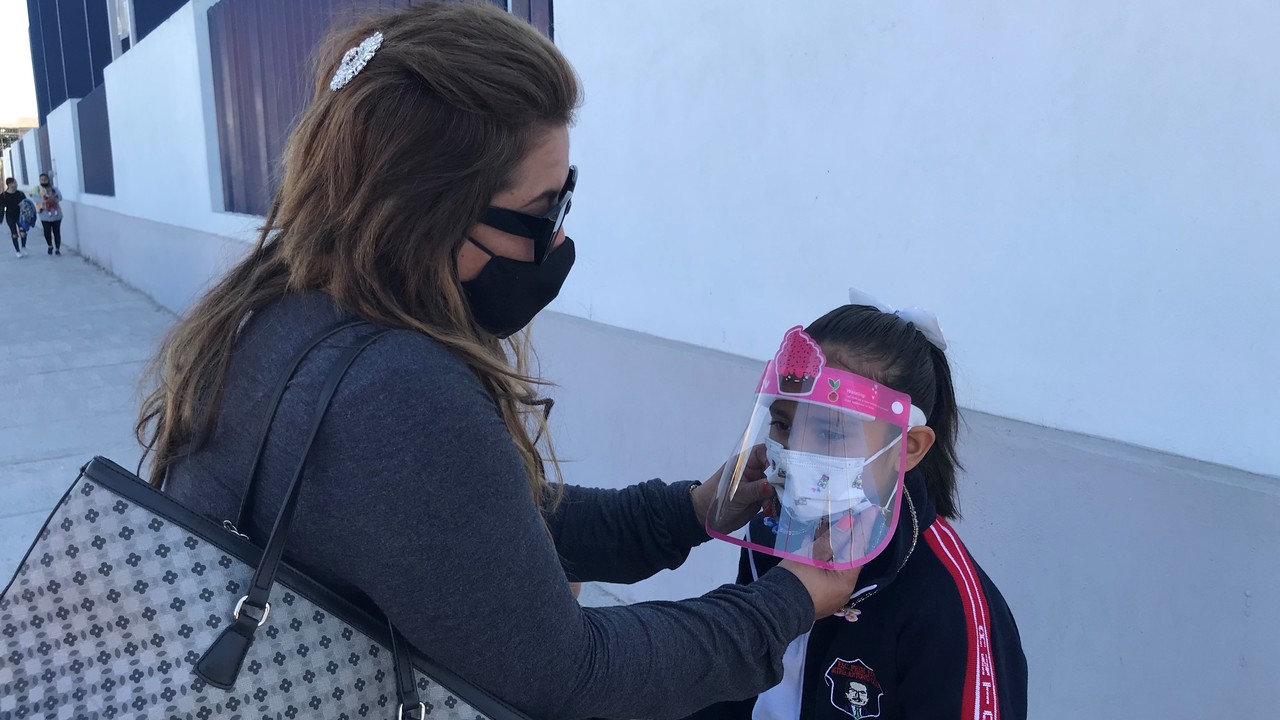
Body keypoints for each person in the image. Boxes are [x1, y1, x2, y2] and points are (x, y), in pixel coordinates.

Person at [136, 4, 859, 718]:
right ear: (425, 212)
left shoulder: (280, 307)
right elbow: (566, 675)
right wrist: (788, 602)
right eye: (543, 212)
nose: (558, 242)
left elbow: (474, 538)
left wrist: (690, 512)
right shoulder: (393, 390)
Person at [689, 294, 1028, 720]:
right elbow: (731, 680)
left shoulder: (945, 601)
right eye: (782, 423)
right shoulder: (769, 535)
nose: (794, 450)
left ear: (907, 447)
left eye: (830, 432)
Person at [32, 173, 62, 255]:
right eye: (41, 180)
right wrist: (45, 200)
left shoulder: (54, 189)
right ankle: (50, 245)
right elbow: (35, 198)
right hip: (44, 214)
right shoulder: (37, 189)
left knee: (57, 232)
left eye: (45, 179)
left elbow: (60, 197)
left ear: (48, 180)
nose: (43, 181)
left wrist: (54, 198)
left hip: (56, 214)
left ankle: (57, 249)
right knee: (47, 232)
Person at [2, 177, 27, 258]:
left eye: (16, 182)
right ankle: (17, 251)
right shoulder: (3, 195)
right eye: (14, 183)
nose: (16, 184)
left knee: (23, 232)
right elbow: (1, 207)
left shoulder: (20, 194)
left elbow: (26, 204)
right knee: (14, 233)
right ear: (9, 184)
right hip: (10, 216)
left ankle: (23, 247)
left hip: (20, 216)